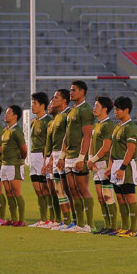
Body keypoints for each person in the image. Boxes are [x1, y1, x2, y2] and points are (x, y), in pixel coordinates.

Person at [61, 81, 95, 233]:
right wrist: (62, 156)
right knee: (72, 190)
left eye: (74, 90)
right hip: (69, 155)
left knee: (82, 189)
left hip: (78, 155)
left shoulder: (86, 110)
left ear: (82, 92)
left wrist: (82, 158)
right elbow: (66, 135)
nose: (71, 92)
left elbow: (87, 135)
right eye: (70, 90)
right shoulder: (71, 111)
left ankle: (90, 224)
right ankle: (80, 224)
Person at [110, 97, 137, 236]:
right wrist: (110, 167)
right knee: (120, 198)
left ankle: (133, 230)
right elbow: (113, 148)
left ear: (126, 110)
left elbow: (131, 149)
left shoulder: (130, 127)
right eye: (115, 109)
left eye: (118, 109)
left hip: (125, 166)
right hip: (116, 164)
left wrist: (122, 168)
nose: (115, 112)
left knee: (129, 197)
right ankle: (124, 227)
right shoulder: (118, 126)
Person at [87, 97, 116, 234]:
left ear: (105, 109)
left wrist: (92, 160)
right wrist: (90, 160)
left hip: (104, 164)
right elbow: (91, 144)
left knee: (107, 196)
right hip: (95, 164)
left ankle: (113, 226)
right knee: (100, 197)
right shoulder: (96, 125)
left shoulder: (108, 125)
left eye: (97, 106)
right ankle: (106, 225)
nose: (94, 108)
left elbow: (106, 147)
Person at [47, 90, 74, 230]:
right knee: (58, 189)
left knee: (68, 189)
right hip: (56, 154)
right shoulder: (57, 117)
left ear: (64, 100)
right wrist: (52, 157)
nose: (53, 99)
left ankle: (75, 220)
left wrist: (62, 156)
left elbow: (69, 136)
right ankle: (66, 220)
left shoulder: (68, 114)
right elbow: (55, 141)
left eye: (56, 97)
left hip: (65, 155)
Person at [0, 105, 28, 226]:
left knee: (16, 191)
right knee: (8, 192)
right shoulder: (5, 130)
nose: (5, 115)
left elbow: (24, 149)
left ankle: (21, 220)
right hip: (4, 164)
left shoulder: (17, 131)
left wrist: (20, 159)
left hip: (14, 165)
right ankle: (13, 218)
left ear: (15, 116)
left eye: (8, 113)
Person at [28, 92, 53, 228]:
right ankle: (43, 219)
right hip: (33, 156)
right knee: (38, 190)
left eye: (35, 103)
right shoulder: (33, 121)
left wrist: (46, 160)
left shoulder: (47, 121)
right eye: (32, 103)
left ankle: (52, 219)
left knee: (46, 190)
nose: (32, 106)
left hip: (43, 156)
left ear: (42, 105)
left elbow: (49, 142)